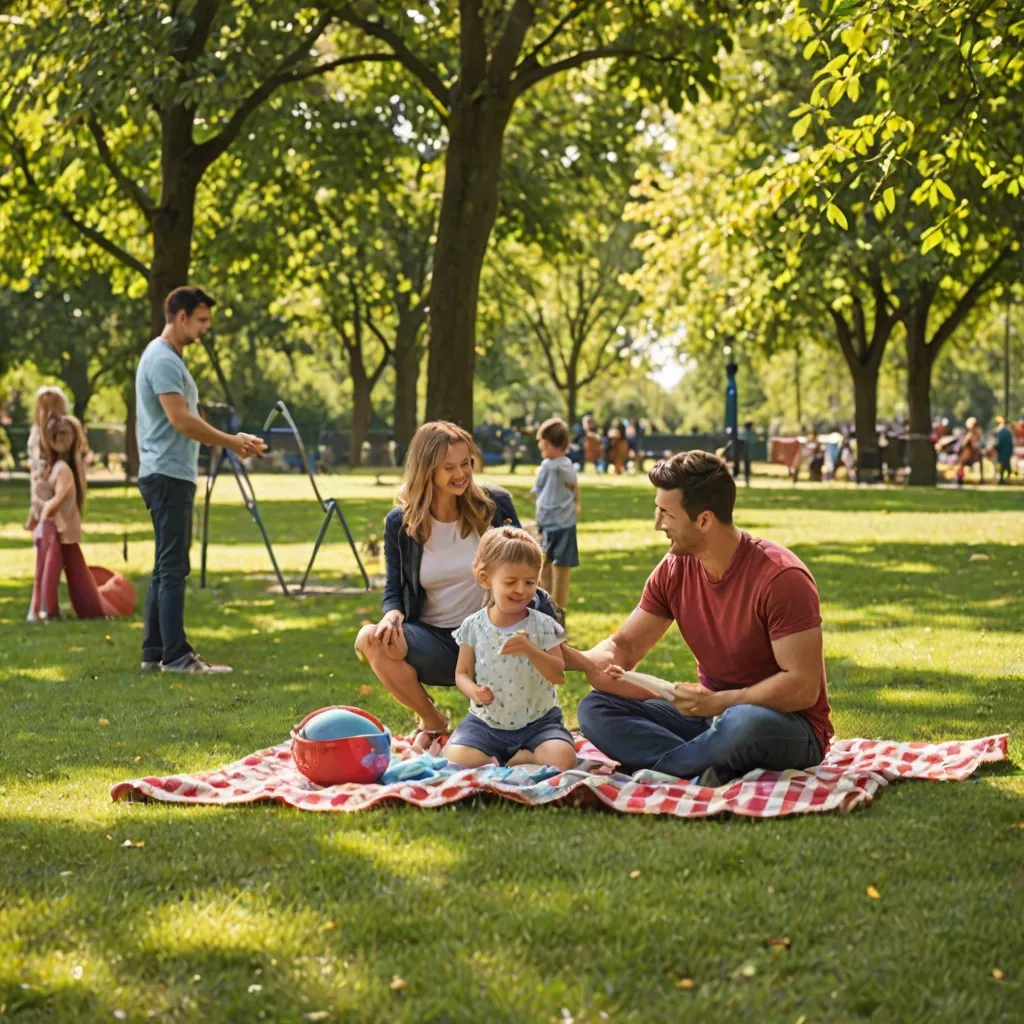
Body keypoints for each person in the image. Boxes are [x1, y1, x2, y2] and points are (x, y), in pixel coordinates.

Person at [564, 450, 832, 785]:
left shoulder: (781, 578)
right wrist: (576, 659)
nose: (657, 523)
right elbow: (625, 645)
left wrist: (722, 702)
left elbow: (802, 688)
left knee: (742, 724)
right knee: (596, 708)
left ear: (704, 520)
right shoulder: (675, 569)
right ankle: (705, 766)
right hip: (710, 715)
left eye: (666, 513)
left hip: (786, 722)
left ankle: (669, 770)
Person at [355, 421, 554, 751]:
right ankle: (433, 721)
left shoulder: (493, 506)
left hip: (493, 638)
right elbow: (393, 588)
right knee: (371, 638)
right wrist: (391, 615)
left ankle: (512, 727)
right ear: (426, 470)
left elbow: (526, 568)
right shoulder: (401, 523)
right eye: (449, 467)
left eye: (466, 464)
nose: (461, 474)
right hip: (434, 640)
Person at [136, 286, 267, 674]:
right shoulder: (161, 358)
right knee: (174, 566)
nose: (204, 329)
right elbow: (180, 419)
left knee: (165, 565)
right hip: (167, 474)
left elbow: (185, 416)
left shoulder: (169, 358)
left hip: (170, 471)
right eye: (201, 320)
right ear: (181, 317)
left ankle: (153, 651)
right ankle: (176, 656)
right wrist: (231, 441)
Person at [441, 527, 577, 769]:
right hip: (486, 723)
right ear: (485, 579)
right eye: (511, 581)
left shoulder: (544, 625)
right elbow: (461, 673)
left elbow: (557, 674)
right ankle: (500, 758)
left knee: (563, 758)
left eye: (530, 582)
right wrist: (473, 691)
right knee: (452, 757)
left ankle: (520, 757)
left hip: (539, 722)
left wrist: (530, 649)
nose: (521, 590)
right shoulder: (472, 626)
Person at [37, 415, 107, 619]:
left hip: (62, 527)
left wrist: (44, 514)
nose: (60, 437)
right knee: (72, 568)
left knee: (60, 568)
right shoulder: (58, 467)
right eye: (56, 433)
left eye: (64, 433)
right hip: (60, 526)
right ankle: (82, 609)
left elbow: (58, 498)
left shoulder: (64, 469)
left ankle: (51, 610)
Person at [25, 386, 69, 622]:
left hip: (46, 502)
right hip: (47, 504)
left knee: (49, 557)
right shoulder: (47, 432)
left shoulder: (43, 430)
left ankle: (45, 605)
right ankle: (40, 607)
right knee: (47, 558)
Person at [532, 417, 580, 616]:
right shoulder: (546, 466)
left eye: (542, 441)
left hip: (563, 524)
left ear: (553, 443)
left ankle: (558, 610)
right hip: (546, 522)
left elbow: (572, 483)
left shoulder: (564, 465)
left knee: (561, 567)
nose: (539, 445)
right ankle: (544, 606)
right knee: (543, 566)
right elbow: (540, 487)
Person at [993, 417, 1014, 483]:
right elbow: (1011, 443)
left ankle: (1002, 479)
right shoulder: (1008, 432)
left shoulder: (1000, 433)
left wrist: (995, 447)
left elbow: (998, 443)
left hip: (1002, 451)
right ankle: (1007, 477)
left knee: (1002, 465)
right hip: (1007, 451)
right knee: (1006, 464)